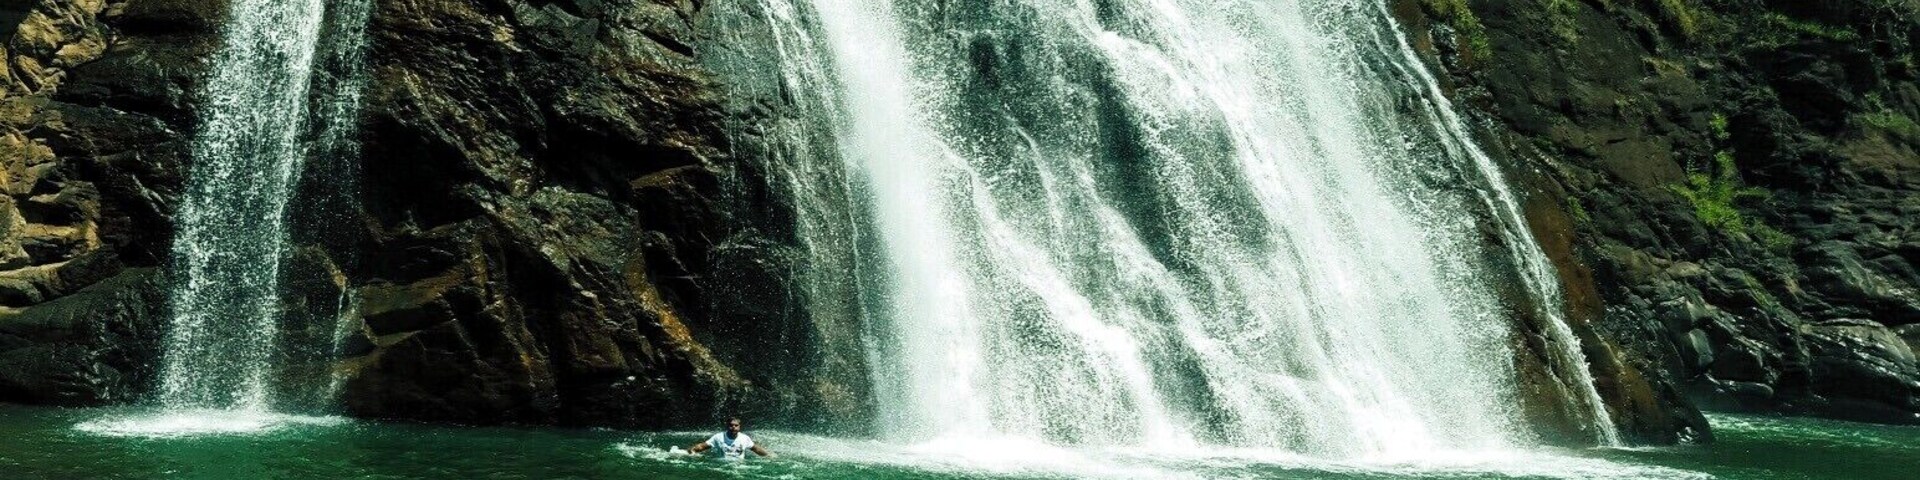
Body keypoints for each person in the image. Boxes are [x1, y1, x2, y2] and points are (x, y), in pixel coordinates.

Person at [686, 417, 773, 460]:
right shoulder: (718, 437)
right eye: (731, 425)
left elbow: (756, 449)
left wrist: (769, 455)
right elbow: (702, 446)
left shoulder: (744, 438)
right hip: (722, 466)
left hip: (740, 467)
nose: (733, 427)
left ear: (739, 427)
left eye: (736, 425)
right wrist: (691, 450)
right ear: (727, 426)